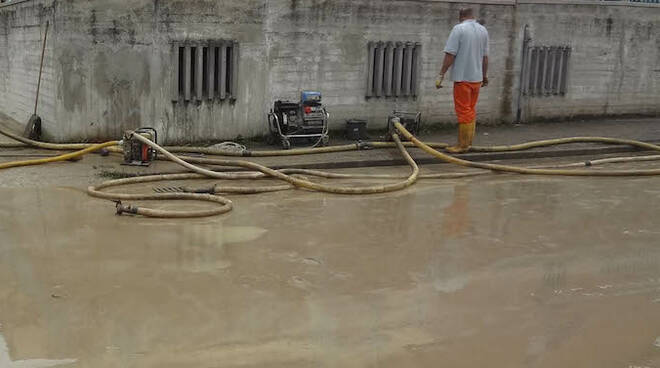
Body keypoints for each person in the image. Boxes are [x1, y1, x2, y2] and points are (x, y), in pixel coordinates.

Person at [436, 8, 489, 153]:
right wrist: (484, 76)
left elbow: (450, 54)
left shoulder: (459, 29)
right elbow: (485, 57)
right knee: (470, 110)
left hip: (462, 78)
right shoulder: (483, 30)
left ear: (461, 16)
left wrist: (441, 74)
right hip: (477, 79)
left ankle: (463, 145)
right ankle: (468, 142)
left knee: (463, 111)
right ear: (473, 16)